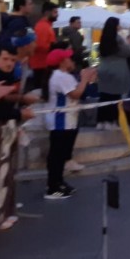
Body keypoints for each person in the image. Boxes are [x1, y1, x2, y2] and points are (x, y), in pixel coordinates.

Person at [44, 48, 96, 199]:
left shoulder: (65, 76)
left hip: (69, 120)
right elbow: (75, 94)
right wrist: (85, 79)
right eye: (69, 58)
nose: (72, 61)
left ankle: (59, 182)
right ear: (62, 62)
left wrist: (86, 79)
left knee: (61, 154)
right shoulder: (60, 76)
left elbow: (78, 91)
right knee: (57, 155)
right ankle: (52, 187)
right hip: (61, 121)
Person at [96, 17, 130, 131]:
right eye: (118, 24)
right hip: (116, 71)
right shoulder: (117, 39)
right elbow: (129, 52)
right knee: (114, 98)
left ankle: (100, 121)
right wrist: (129, 43)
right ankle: (111, 121)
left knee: (104, 97)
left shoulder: (103, 38)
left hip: (104, 70)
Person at [29, 2, 58, 94]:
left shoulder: (47, 26)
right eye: (54, 12)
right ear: (47, 12)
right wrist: (56, 47)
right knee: (41, 93)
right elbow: (40, 45)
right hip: (41, 65)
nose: (57, 15)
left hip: (44, 64)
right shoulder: (43, 26)